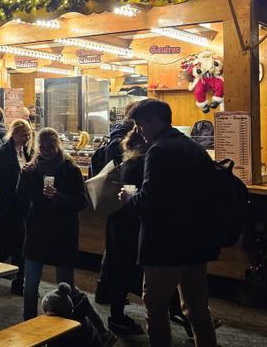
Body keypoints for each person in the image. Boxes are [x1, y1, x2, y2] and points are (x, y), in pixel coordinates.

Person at [119, 99, 219, 347]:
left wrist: (130, 198)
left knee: (155, 306)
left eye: (141, 125)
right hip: (196, 241)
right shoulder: (194, 148)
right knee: (197, 309)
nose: (140, 131)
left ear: (155, 121)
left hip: (164, 244)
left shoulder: (159, 150)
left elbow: (150, 198)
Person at [17, 127, 89, 320]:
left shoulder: (70, 169)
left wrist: (59, 197)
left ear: (57, 146)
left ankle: (64, 328)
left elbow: (82, 202)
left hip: (62, 232)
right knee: (30, 285)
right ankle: (29, 326)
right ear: (37, 147)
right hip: (37, 231)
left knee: (64, 287)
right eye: (42, 146)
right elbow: (21, 197)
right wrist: (23, 177)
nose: (47, 150)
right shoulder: (33, 169)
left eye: (51, 146)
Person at [101, 127, 149, 336]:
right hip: (130, 224)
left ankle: (117, 315)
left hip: (118, 221)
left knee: (118, 268)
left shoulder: (128, 163)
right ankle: (118, 317)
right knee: (125, 269)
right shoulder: (140, 164)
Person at [0, 118, 34, 296]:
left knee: (19, 245)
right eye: (24, 135)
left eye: (29, 135)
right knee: (10, 245)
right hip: (8, 206)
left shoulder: (26, 151)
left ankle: (17, 281)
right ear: (14, 134)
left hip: (22, 205)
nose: (27, 138)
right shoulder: (2, 154)